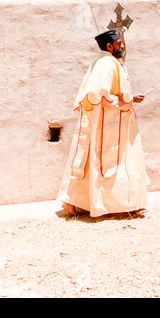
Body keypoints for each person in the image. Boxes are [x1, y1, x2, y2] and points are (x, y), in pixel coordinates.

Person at [57, 29, 149, 217]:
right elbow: (97, 95)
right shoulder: (107, 63)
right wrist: (128, 100)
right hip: (109, 126)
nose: (122, 45)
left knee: (96, 162)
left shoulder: (106, 62)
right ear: (109, 46)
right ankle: (109, 205)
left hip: (115, 124)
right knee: (108, 164)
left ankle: (79, 203)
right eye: (118, 43)